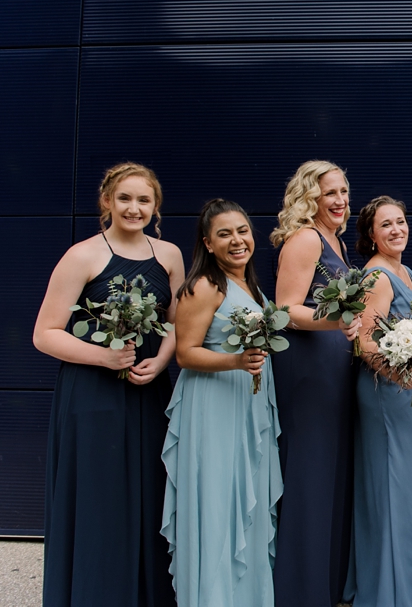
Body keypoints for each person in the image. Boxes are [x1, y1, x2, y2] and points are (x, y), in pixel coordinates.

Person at [35, 162, 183, 607]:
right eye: (124, 199)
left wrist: (160, 361)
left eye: (143, 200)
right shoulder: (82, 255)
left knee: (149, 496)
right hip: (92, 396)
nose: (134, 208)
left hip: (148, 391)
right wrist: (103, 355)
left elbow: (178, 323)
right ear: (107, 202)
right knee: (99, 500)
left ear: (155, 206)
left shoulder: (169, 255)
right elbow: (45, 333)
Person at [161, 198, 283, 606]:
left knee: (245, 501)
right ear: (207, 243)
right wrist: (236, 361)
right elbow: (184, 353)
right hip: (214, 407)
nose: (237, 241)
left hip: (248, 405)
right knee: (218, 505)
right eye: (224, 234)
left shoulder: (251, 285)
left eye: (242, 231)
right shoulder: (204, 286)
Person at [269, 160, 360, 606]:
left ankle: (323, 584)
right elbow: (285, 310)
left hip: (334, 370)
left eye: (344, 191)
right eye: (330, 193)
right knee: (310, 474)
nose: (341, 201)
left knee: (331, 472)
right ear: (311, 197)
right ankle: (300, 590)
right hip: (308, 371)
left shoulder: (336, 242)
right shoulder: (305, 239)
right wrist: (340, 320)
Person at [350, 196, 412, 607]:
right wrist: (400, 375)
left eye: (400, 221)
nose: (396, 230)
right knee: (396, 488)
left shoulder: (404, 270)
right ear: (371, 235)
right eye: (385, 225)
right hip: (391, 394)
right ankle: (392, 592)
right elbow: (365, 343)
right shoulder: (377, 276)